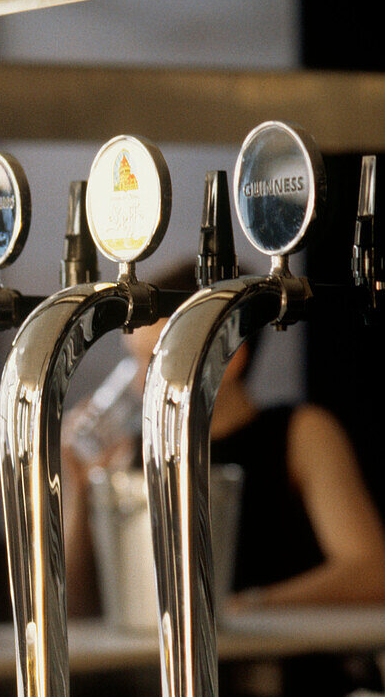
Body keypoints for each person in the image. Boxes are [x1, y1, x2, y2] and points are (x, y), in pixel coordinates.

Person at [64, 262, 385, 618]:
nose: (140, 385)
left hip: (283, 665)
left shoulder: (300, 433)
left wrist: (248, 607)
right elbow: (80, 606)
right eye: (135, 364)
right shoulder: (137, 454)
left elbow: (371, 571)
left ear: (229, 361)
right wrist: (80, 491)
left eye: (156, 363)